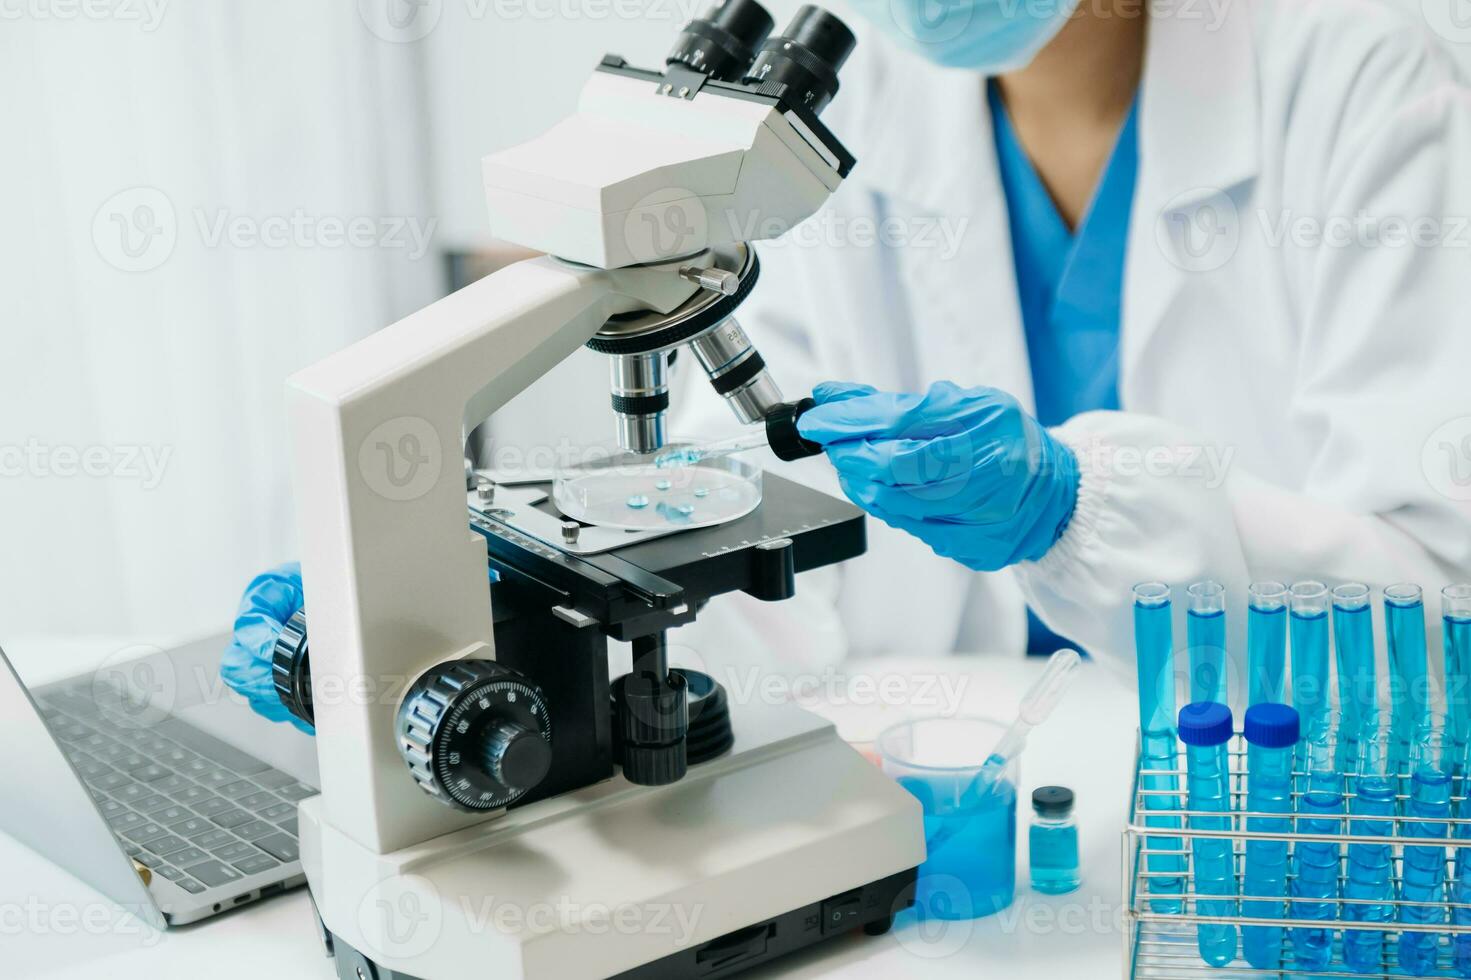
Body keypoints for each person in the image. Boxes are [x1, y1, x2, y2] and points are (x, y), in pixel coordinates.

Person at [224, 0, 1471, 722]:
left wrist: (1078, 510)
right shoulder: (854, 113)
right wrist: (473, 633)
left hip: (1259, 793)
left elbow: (1441, 600)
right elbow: (751, 528)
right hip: (954, 780)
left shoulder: (1362, 77)